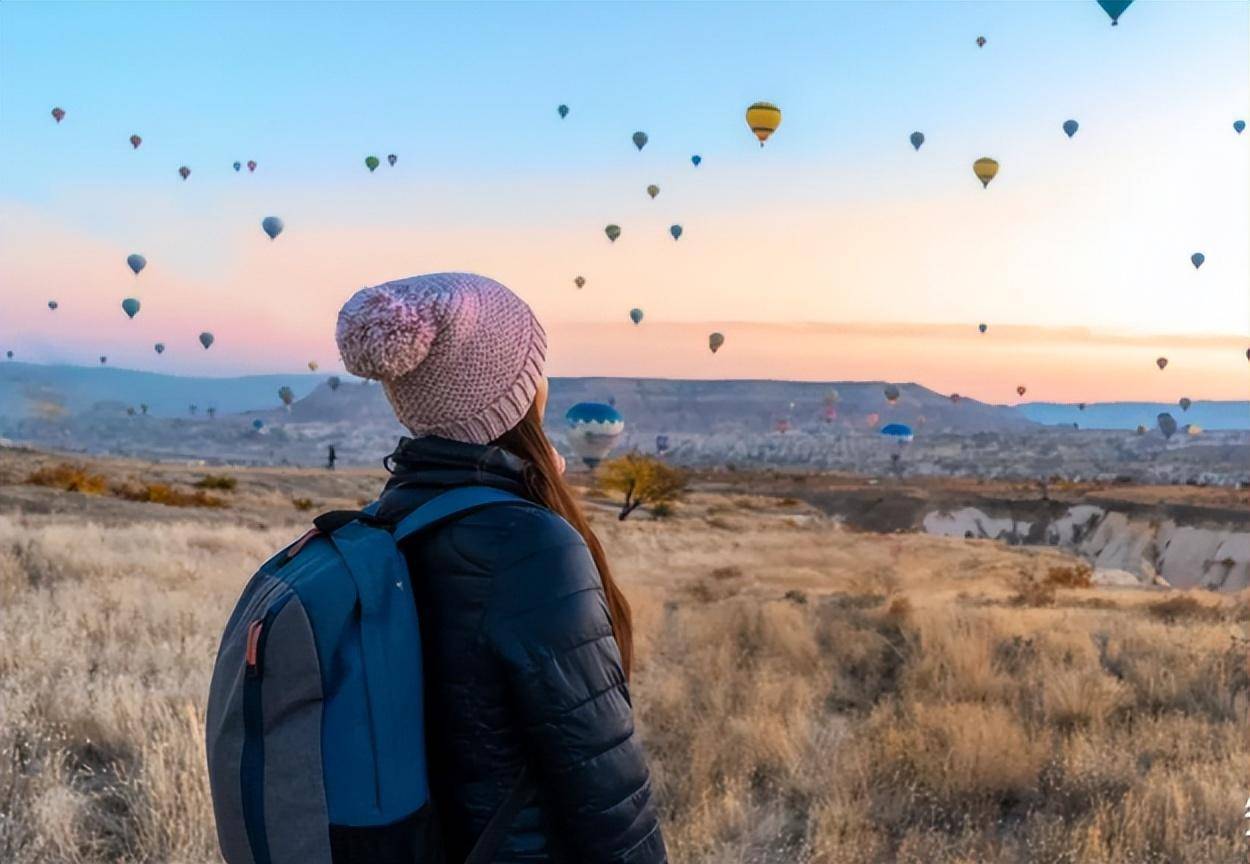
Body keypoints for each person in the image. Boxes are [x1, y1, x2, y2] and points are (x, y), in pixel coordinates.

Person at [335, 272, 666, 863]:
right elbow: (605, 786)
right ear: (517, 390)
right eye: (536, 366)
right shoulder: (531, 545)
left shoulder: (391, 519)